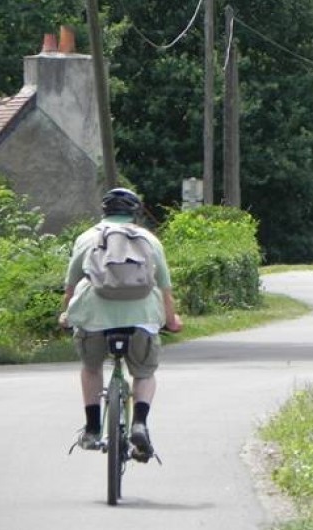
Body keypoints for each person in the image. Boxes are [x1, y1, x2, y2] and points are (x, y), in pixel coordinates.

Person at [59, 187, 183, 458]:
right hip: (142, 318)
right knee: (144, 374)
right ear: (134, 213)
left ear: (104, 211)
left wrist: (66, 315)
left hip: (94, 318)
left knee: (91, 368)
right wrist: (171, 320)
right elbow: (165, 289)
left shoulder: (87, 238)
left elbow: (70, 287)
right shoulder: (149, 239)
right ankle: (139, 422)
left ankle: (92, 428)